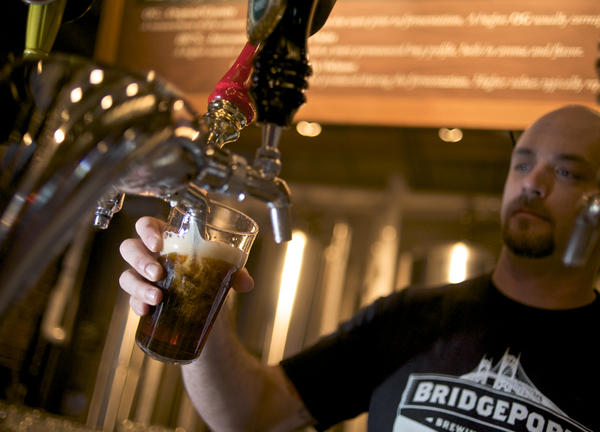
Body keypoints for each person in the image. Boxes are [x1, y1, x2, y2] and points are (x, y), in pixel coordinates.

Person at [119, 104, 600, 432]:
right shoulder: (411, 317)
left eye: (566, 172)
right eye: (522, 163)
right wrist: (204, 308)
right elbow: (251, 415)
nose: (532, 183)